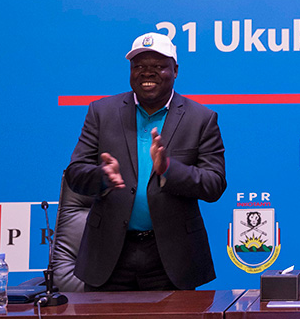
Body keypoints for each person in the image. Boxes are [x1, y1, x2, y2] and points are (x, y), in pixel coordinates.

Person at [65, 32, 227, 291]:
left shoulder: (201, 118)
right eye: (138, 66)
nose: (146, 73)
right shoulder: (101, 112)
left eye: (158, 67)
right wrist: (103, 176)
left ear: (175, 70)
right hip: (109, 254)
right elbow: (75, 173)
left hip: (171, 258)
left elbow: (214, 184)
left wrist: (168, 170)